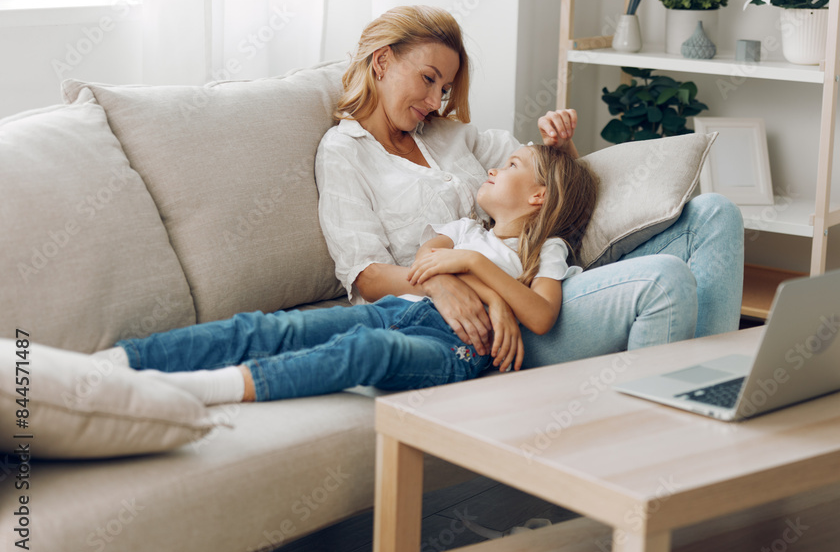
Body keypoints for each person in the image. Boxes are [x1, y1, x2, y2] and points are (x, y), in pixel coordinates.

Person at [315, 5, 743, 367]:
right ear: (382, 61)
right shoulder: (344, 152)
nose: (434, 102)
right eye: (428, 80)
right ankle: (663, 419)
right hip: (492, 318)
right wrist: (457, 287)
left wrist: (561, 146)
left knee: (716, 213)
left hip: (543, 277)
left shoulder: (449, 135)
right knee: (663, 278)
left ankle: (705, 382)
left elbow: (549, 189)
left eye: (444, 89)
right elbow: (366, 275)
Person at [98, 144, 599, 404]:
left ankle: (206, 389)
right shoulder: (463, 228)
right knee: (270, 328)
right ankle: (119, 362)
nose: (494, 166)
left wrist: (474, 265)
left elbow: (540, 315)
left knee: (368, 353)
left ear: (538, 196)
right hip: (392, 311)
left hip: (454, 348)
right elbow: (426, 263)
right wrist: (489, 294)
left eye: (511, 164)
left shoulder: (544, 249)